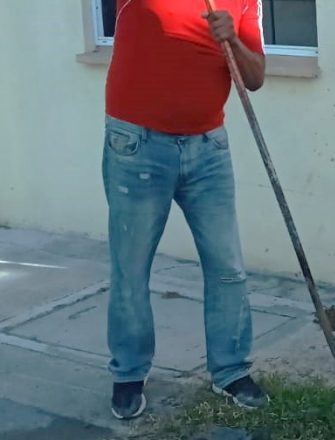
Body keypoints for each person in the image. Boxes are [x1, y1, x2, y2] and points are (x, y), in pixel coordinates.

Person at [102, 0, 268, 419]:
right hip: (137, 144)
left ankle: (231, 371)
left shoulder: (244, 3)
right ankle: (128, 375)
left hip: (208, 147)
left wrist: (231, 36)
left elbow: (255, 78)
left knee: (228, 267)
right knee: (131, 268)